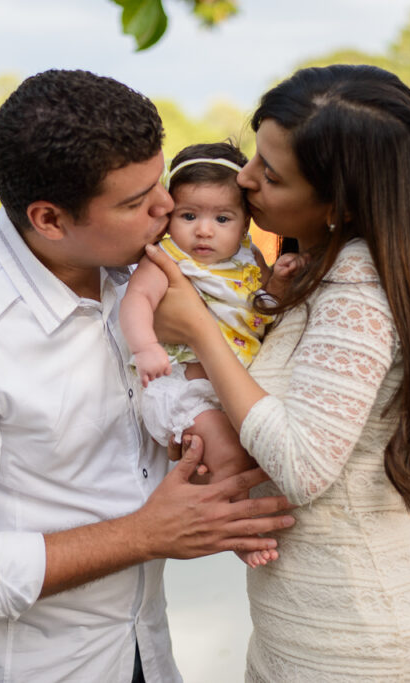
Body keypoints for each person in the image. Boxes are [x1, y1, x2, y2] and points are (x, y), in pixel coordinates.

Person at [0, 69, 294, 683]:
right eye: (134, 202)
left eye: (159, 183)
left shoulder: (142, 275)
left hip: (147, 649)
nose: (167, 208)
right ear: (49, 219)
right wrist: (146, 534)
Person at [146, 64, 410, 681]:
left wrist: (198, 330)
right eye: (254, 155)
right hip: (305, 625)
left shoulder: (359, 288)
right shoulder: (321, 268)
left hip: (359, 641)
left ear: (338, 201)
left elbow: (301, 464)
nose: (244, 178)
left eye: (270, 172)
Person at [120, 141, 301, 570]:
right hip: (185, 389)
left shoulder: (248, 258)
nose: (204, 231)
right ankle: (237, 530)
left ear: (243, 225)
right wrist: (145, 346)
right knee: (226, 452)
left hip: (230, 387)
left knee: (249, 449)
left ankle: (238, 517)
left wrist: (276, 285)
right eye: (189, 216)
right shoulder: (168, 258)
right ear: (170, 217)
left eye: (222, 218)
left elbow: (258, 309)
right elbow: (136, 301)